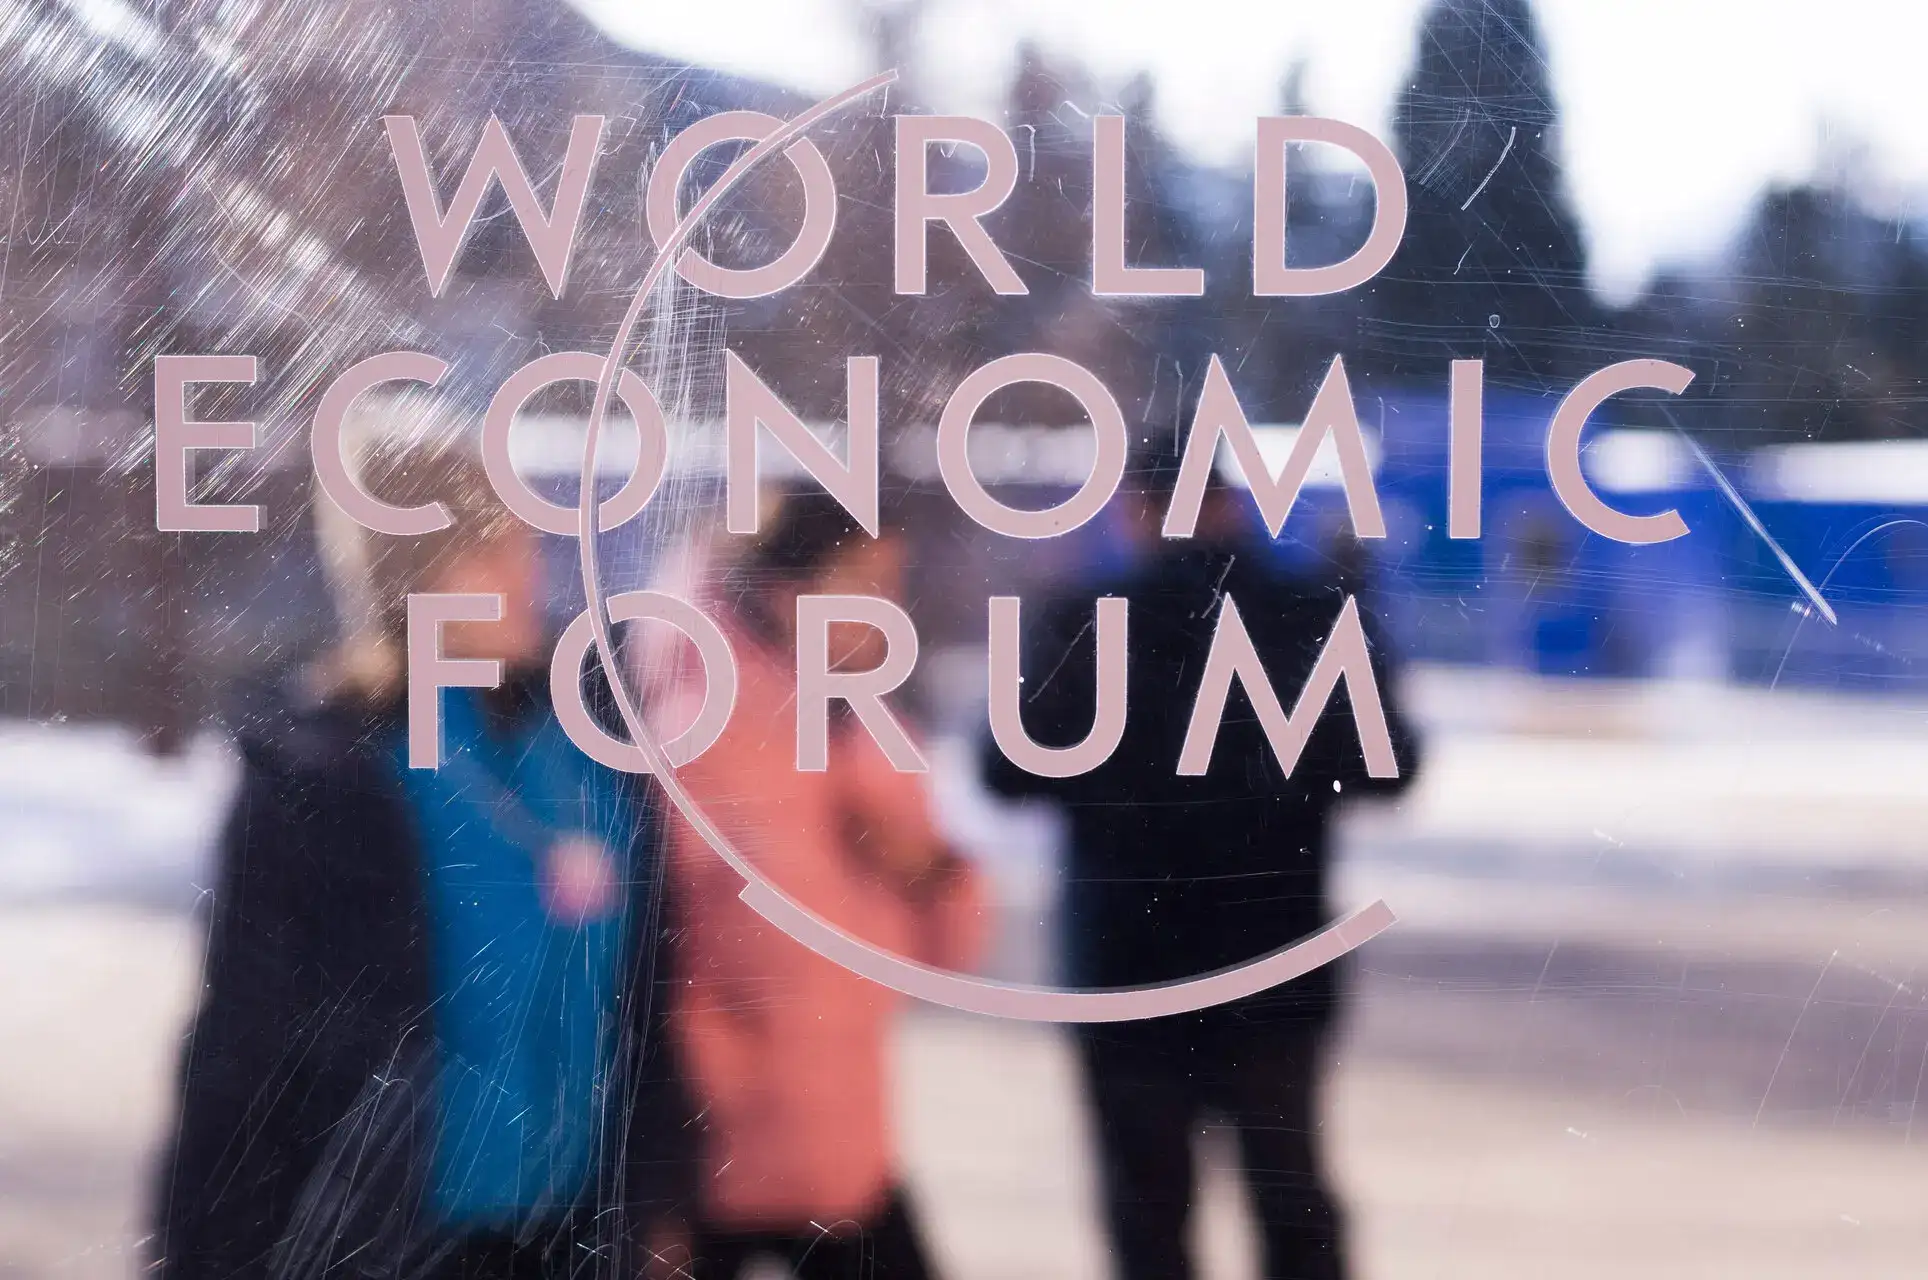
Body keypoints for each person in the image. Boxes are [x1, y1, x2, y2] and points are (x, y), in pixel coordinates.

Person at [149, 440, 693, 1279]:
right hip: (393, 1243)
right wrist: (204, 1255)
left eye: (526, 546)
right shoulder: (325, 774)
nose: (526, 577)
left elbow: (648, 1004)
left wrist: (660, 1202)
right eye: (487, 553)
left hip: (574, 1237)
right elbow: (243, 1042)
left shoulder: (590, 748)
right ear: (410, 580)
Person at [981, 464, 1422, 1280]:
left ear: (1137, 508)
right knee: (1291, 1199)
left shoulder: (1084, 615)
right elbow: (1390, 767)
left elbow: (1003, 770)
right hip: (1273, 956)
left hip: (1126, 965)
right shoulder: (1312, 611)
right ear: (1232, 505)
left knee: (1147, 1211)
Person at [646, 490, 987, 1280]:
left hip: (840, 1131)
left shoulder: (861, 725)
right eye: (864, 582)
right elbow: (755, 958)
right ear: (788, 592)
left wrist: (931, 868)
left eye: (893, 584)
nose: (887, 611)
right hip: (727, 1138)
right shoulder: (703, 724)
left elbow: (948, 954)